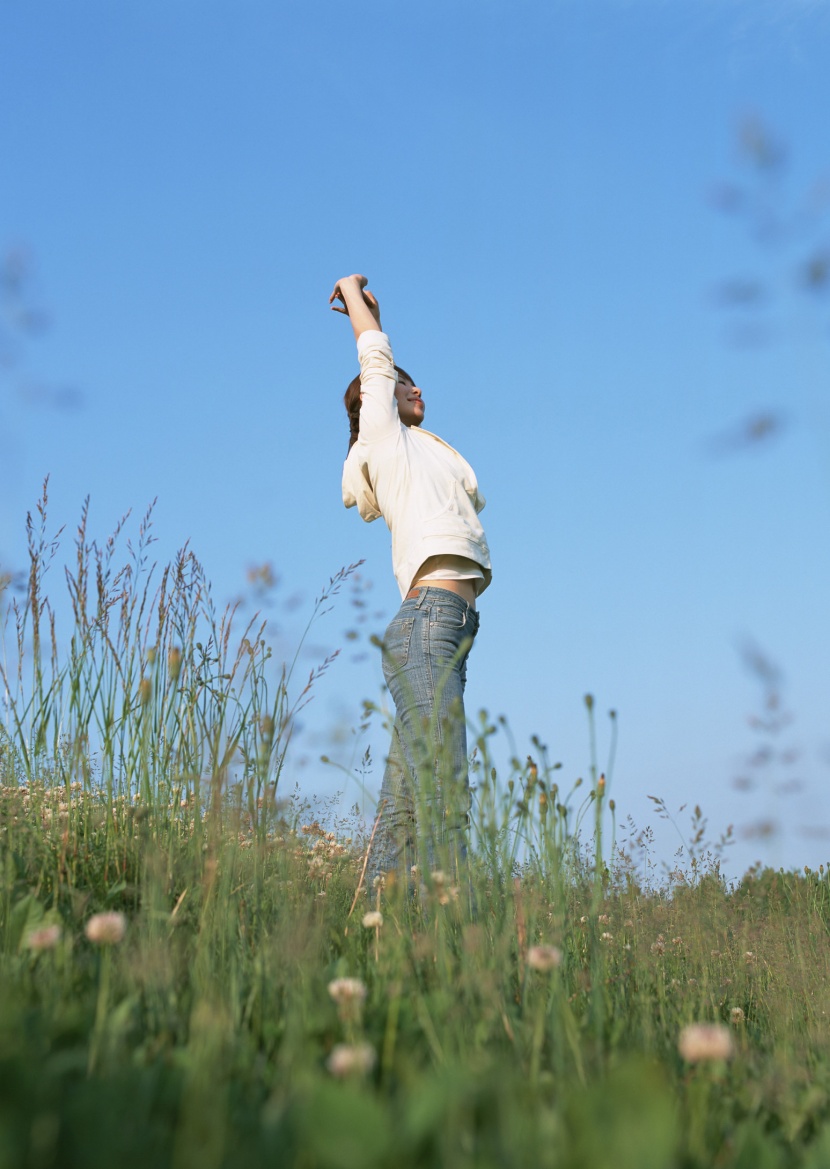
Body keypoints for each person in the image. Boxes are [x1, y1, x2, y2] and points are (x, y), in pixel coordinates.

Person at [330, 274, 492, 889]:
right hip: (428, 626)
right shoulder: (384, 441)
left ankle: (368, 929)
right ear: (375, 403)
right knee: (446, 790)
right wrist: (359, 303)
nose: (414, 387)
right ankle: (458, 943)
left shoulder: (419, 450)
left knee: (403, 808)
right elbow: (375, 362)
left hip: (448, 632)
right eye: (402, 384)